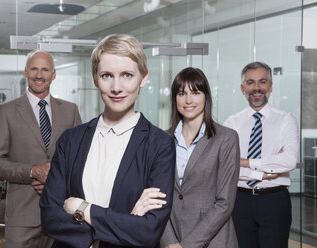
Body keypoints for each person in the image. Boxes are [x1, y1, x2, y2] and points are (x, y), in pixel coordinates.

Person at [40, 34, 176, 248]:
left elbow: (149, 231)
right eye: (106, 75)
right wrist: (127, 221)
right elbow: (50, 217)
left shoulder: (159, 145)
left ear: (143, 78)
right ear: (95, 78)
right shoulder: (70, 140)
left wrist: (83, 208)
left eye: (127, 75)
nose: (116, 87)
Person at [0, 50, 82, 248]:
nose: (39, 75)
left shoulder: (70, 110)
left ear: (53, 74)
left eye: (45, 69)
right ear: (25, 72)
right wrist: (32, 172)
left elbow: (79, 160)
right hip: (22, 216)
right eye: (34, 69)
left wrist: (56, 181)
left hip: (61, 212)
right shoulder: (6, 112)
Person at [160, 67, 240, 248]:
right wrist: (169, 242)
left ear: (206, 97)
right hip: (172, 240)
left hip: (213, 241)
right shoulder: (162, 140)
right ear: (175, 99)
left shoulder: (226, 138)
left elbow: (224, 203)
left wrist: (186, 245)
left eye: (195, 93)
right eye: (182, 94)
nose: (188, 100)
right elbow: (157, 198)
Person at [223, 61, 299, 248]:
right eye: (250, 82)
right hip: (239, 201)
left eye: (262, 81)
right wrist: (263, 172)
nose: (256, 88)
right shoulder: (231, 124)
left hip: (274, 201)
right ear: (243, 88)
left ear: (270, 86)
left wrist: (245, 162)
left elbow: (289, 161)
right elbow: (226, 168)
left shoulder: (285, 120)